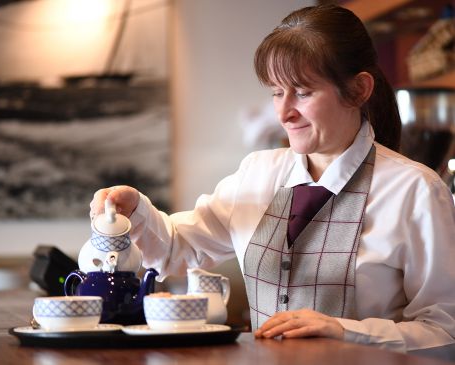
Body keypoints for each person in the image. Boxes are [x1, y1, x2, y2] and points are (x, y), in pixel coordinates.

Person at [89, 4, 455, 359]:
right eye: (277, 93)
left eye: (303, 92)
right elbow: (176, 250)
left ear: (359, 90)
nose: (284, 112)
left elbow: (445, 333)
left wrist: (346, 332)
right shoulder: (257, 173)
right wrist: (135, 208)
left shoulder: (415, 190)